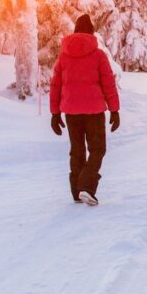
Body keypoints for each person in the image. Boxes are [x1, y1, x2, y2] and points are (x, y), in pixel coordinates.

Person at [49, 14, 121, 206]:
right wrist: (114, 110)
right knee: (98, 148)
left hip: (71, 112)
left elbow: (55, 85)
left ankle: (76, 191)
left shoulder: (64, 57)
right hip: (94, 112)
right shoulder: (98, 55)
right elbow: (108, 83)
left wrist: (55, 113)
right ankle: (86, 187)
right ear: (91, 33)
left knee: (77, 150)